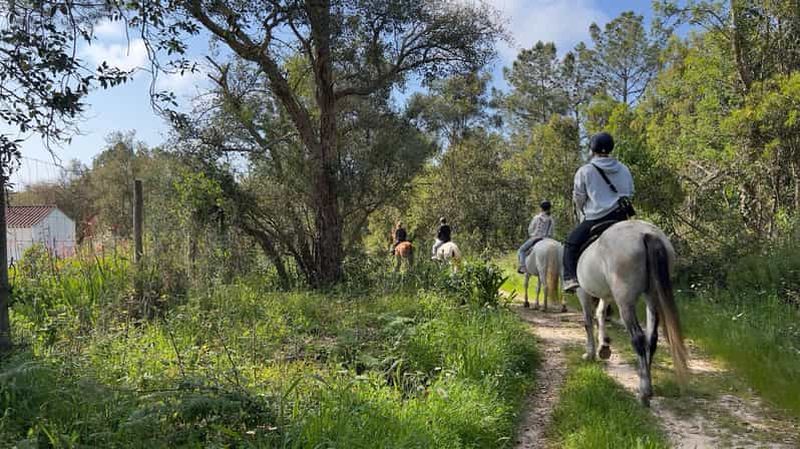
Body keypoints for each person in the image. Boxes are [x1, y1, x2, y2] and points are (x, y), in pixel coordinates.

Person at [563, 132, 635, 292]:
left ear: (592, 149)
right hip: (622, 218)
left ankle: (569, 278)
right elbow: (630, 193)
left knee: (571, 243)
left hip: (596, 219)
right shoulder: (624, 169)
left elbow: (579, 198)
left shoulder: (585, 170)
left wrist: (585, 208)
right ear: (611, 148)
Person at [517, 200, 555, 274]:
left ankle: (523, 267)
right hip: (547, 239)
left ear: (541, 208)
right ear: (549, 208)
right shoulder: (551, 219)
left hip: (536, 238)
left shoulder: (537, 218)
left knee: (521, 250)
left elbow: (530, 229)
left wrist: (532, 235)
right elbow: (551, 232)